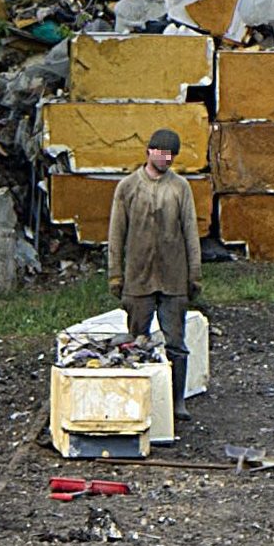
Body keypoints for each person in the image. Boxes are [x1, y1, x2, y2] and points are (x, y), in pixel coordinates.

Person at [107, 129, 200, 399]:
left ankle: (176, 402)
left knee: (176, 343)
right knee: (136, 342)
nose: (166, 159)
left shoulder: (180, 187)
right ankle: (138, 400)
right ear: (149, 151)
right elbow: (116, 235)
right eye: (161, 152)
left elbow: (191, 233)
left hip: (174, 279)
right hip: (138, 278)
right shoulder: (127, 187)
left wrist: (194, 276)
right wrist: (116, 275)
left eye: (171, 155)